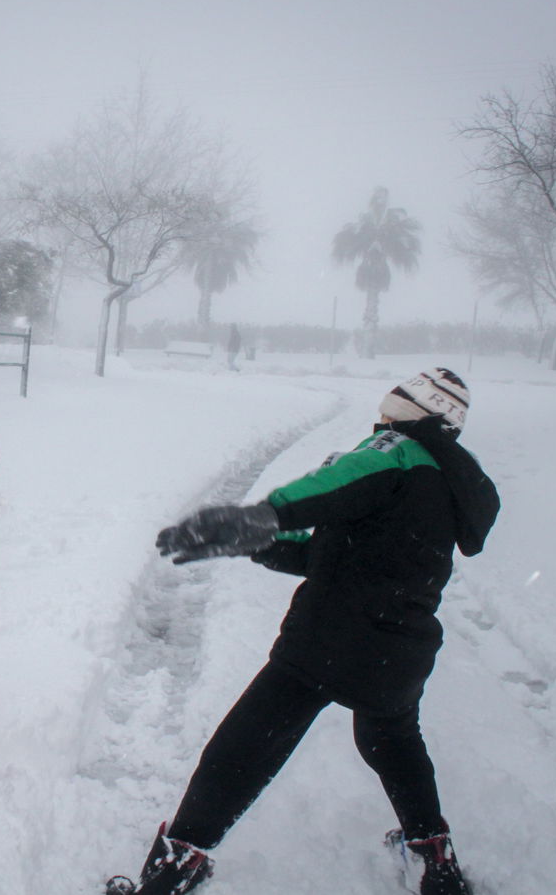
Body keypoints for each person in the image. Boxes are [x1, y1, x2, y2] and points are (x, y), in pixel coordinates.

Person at [106, 367, 500, 895]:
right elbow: (329, 554)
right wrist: (257, 543)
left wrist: (264, 516)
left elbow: (331, 486)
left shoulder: (395, 453)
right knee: (391, 741)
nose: (380, 418)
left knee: (242, 749)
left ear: (408, 413)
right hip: (398, 653)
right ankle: (435, 861)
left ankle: (177, 866)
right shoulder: (447, 480)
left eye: (391, 408)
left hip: (329, 643)